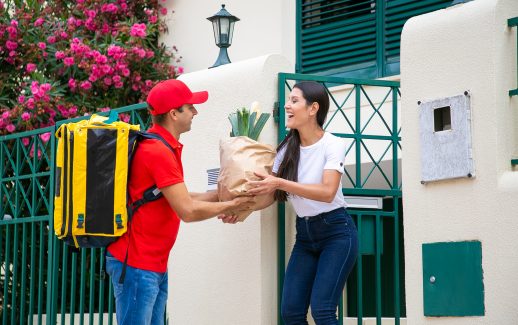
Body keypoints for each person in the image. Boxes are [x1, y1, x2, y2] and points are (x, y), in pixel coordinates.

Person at [105, 79, 253, 325]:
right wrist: (231, 206)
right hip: (137, 265)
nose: (195, 112)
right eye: (190, 107)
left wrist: (229, 194)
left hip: (152, 265)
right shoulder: (157, 151)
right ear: (174, 113)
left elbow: (183, 198)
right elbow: (188, 210)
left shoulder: (163, 145)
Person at [246, 81, 359, 325]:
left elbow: (328, 192)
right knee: (291, 313)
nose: (287, 105)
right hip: (306, 236)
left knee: (323, 310)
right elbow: (270, 193)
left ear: (313, 108)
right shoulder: (287, 149)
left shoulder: (333, 144)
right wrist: (241, 211)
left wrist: (280, 183)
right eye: (288, 100)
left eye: (294, 100)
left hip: (336, 234)